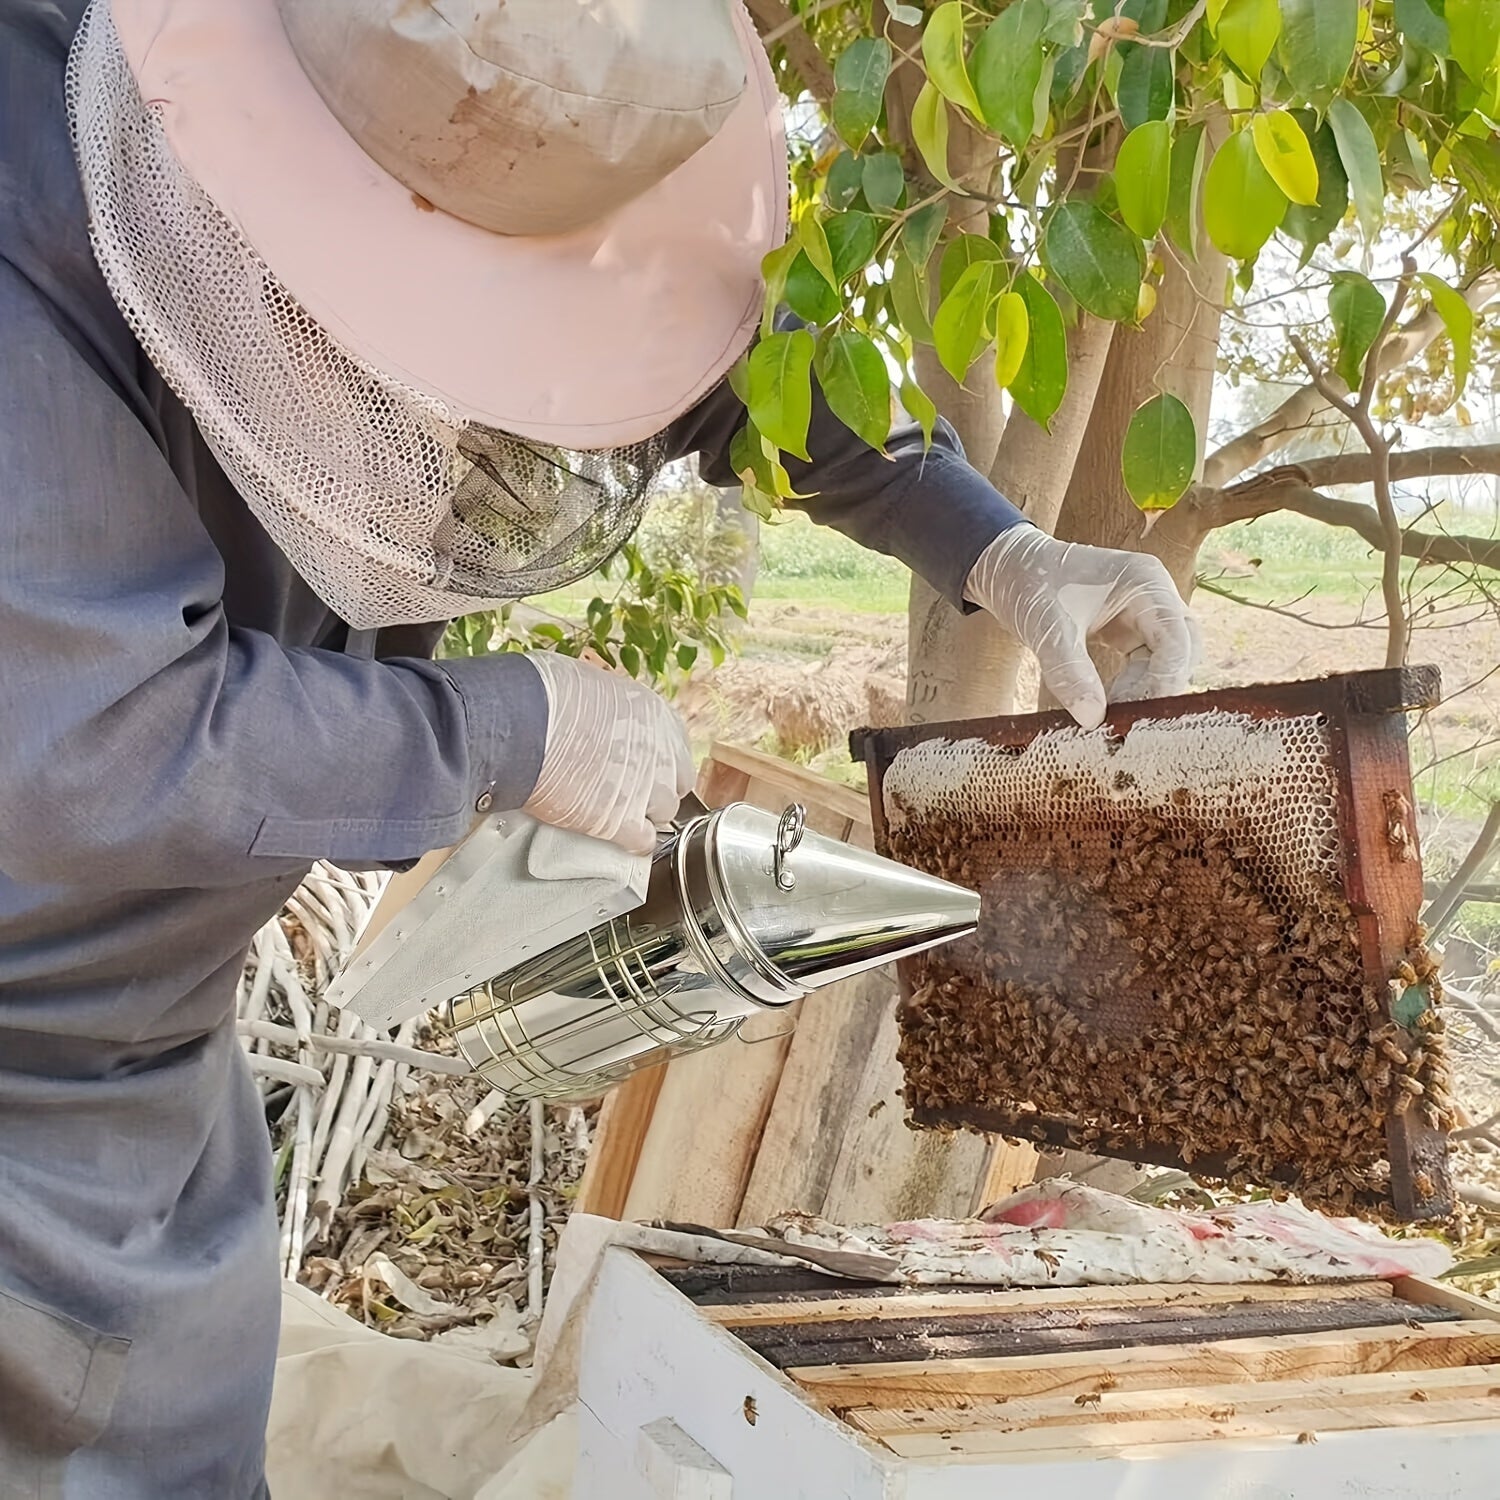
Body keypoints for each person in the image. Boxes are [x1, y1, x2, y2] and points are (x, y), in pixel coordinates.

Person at [0, 1, 1197, 1494]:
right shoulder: (27, 199)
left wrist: (1001, 550)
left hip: (158, 1049)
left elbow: (726, 356)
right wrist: (517, 726)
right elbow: (88, 744)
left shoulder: (500, 124)